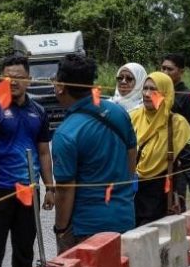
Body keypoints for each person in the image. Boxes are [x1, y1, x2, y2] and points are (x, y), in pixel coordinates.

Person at [0, 53, 54, 267]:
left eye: (19, 77)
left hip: (28, 189)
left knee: (24, 247)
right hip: (0, 189)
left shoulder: (38, 112)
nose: (13, 82)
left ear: (28, 79)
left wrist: (50, 188)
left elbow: (44, 152)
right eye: (8, 77)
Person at [51, 53, 137, 253]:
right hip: (124, 218)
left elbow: (64, 190)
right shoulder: (118, 112)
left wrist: (61, 229)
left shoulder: (66, 133)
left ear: (61, 86)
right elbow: (131, 157)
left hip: (87, 228)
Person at [129, 72, 190, 226]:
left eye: (153, 90)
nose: (147, 94)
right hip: (131, 194)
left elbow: (188, 161)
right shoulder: (132, 118)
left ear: (166, 94)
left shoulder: (177, 124)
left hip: (159, 196)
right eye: (145, 88)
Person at [159, 53, 190, 210]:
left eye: (170, 69)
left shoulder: (187, 96)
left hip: (179, 156)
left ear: (181, 71)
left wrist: (180, 146)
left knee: (175, 202)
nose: (165, 72)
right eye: (163, 68)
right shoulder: (158, 92)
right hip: (157, 156)